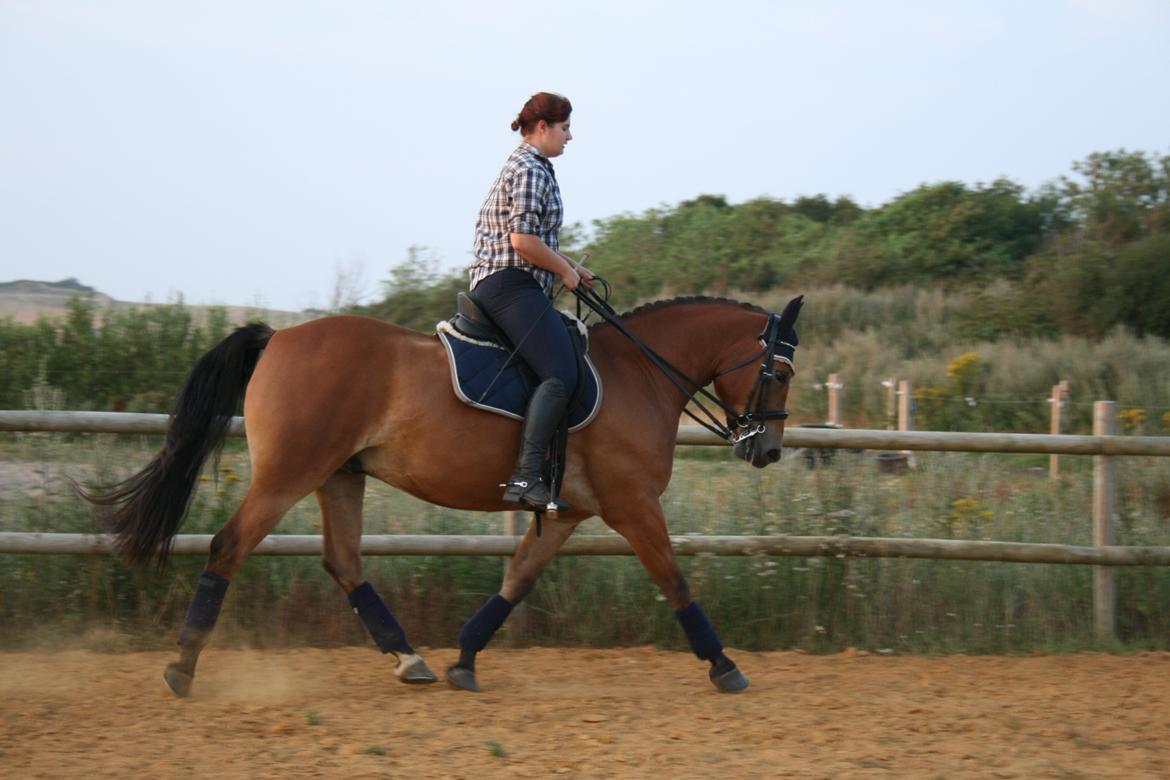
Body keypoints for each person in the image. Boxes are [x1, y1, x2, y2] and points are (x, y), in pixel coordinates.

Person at [468, 92, 594, 510]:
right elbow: (521, 242)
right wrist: (563, 271)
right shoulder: (530, 170)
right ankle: (525, 478)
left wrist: (573, 265)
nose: (570, 137)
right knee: (560, 374)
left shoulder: (533, 166)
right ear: (543, 127)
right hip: (509, 284)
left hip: (514, 282)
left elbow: (532, 237)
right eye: (565, 128)